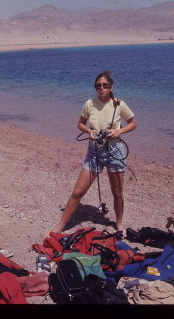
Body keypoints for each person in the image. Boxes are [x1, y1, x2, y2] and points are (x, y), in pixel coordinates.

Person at [51, 71, 137, 235]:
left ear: (111, 86)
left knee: (117, 193)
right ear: (95, 88)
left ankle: (119, 224)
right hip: (94, 151)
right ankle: (61, 225)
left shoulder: (119, 104)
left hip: (115, 151)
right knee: (77, 192)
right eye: (98, 85)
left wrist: (119, 132)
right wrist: (89, 131)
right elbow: (80, 124)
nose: (102, 88)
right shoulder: (89, 104)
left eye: (105, 85)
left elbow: (133, 123)